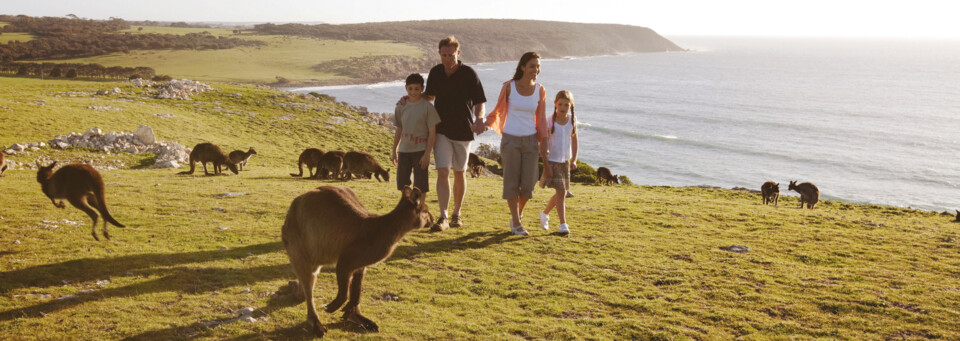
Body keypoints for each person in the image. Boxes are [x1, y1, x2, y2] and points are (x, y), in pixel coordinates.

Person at [418, 36, 487, 231]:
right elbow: (430, 96)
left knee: (459, 172)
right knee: (442, 171)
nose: (448, 59)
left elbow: (480, 100)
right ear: (440, 54)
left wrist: (480, 118)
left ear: (459, 53)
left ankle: (457, 213)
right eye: (444, 55)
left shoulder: (469, 73)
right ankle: (444, 216)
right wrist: (411, 98)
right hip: (441, 129)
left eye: (451, 55)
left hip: (463, 131)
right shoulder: (436, 72)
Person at [480, 52, 548, 236]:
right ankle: (517, 223)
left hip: (531, 141)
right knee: (511, 183)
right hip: (511, 140)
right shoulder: (509, 87)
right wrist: (483, 123)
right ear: (523, 67)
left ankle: (517, 214)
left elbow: (541, 119)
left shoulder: (540, 90)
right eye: (532, 66)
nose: (536, 70)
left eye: (538, 67)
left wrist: (545, 143)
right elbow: (497, 111)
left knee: (527, 186)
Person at [392, 73, 440, 194]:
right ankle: (407, 211)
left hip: (420, 151)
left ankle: (419, 211)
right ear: (406, 88)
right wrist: (394, 151)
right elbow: (399, 129)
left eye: (417, 89)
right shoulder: (400, 107)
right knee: (404, 186)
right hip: (404, 151)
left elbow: (432, 132)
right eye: (410, 89)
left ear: (422, 89)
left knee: (420, 187)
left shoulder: (428, 107)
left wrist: (427, 154)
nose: (413, 92)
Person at [538, 90, 578, 236]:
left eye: (566, 105)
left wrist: (574, 159)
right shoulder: (549, 120)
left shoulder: (572, 121)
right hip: (553, 161)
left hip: (565, 162)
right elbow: (544, 141)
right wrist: (545, 159)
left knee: (563, 192)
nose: (563, 107)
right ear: (555, 104)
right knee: (561, 193)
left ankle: (544, 213)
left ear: (571, 106)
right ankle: (563, 224)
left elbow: (574, 140)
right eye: (560, 104)